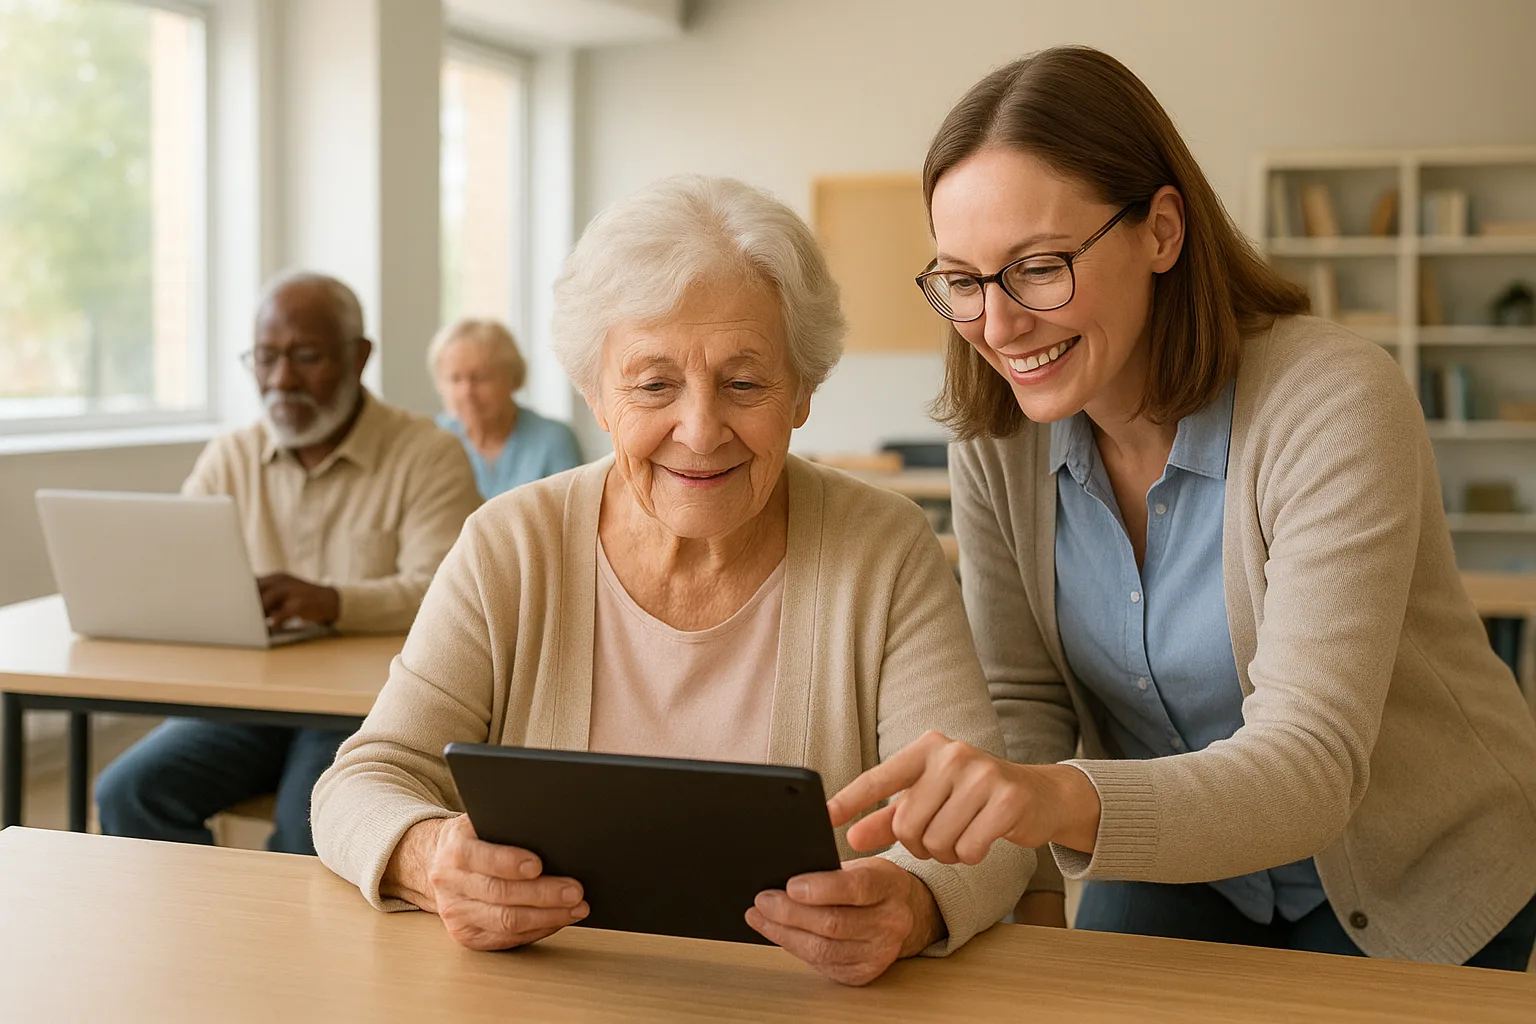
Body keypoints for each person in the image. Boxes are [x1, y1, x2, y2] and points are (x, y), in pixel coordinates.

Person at [829, 46, 1536, 971]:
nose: (998, 329)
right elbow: (1022, 706)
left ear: (1162, 230)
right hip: (1174, 864)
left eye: (1038, 268)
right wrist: (940, 891)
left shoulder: (1332, 401)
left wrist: (1053, 798)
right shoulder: (997, 436)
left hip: (1412, 870)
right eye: (962, 281)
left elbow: (1311, 763)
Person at [311, 175, 1029, 986]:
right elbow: (359, 782)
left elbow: (988, 824)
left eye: (745, 382)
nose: (699, 429)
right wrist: (426, 852)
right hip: (548, 996)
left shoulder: (883, 548)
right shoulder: (510, 544)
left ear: (803, 392)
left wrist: (914, 898)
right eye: (654, 384)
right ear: (597, 395)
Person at [95, 271, 482, 856]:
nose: (280, 379)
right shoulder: (230, 457)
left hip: (362, 706)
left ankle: (285, 947)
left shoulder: (427, 455)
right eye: (265, 357)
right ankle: (206, 937)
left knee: (313, 828)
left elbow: (447, 595)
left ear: (358, 358)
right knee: (129, 792)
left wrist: (333, 602)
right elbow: (178, 569)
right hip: (245, 703)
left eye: (305, 357)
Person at [429, 318, 584, 498]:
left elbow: (572, 517)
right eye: (455, 379)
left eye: (480, 378)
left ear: (512, 378)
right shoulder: (433, 441)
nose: (467, 392)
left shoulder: (553, 441)